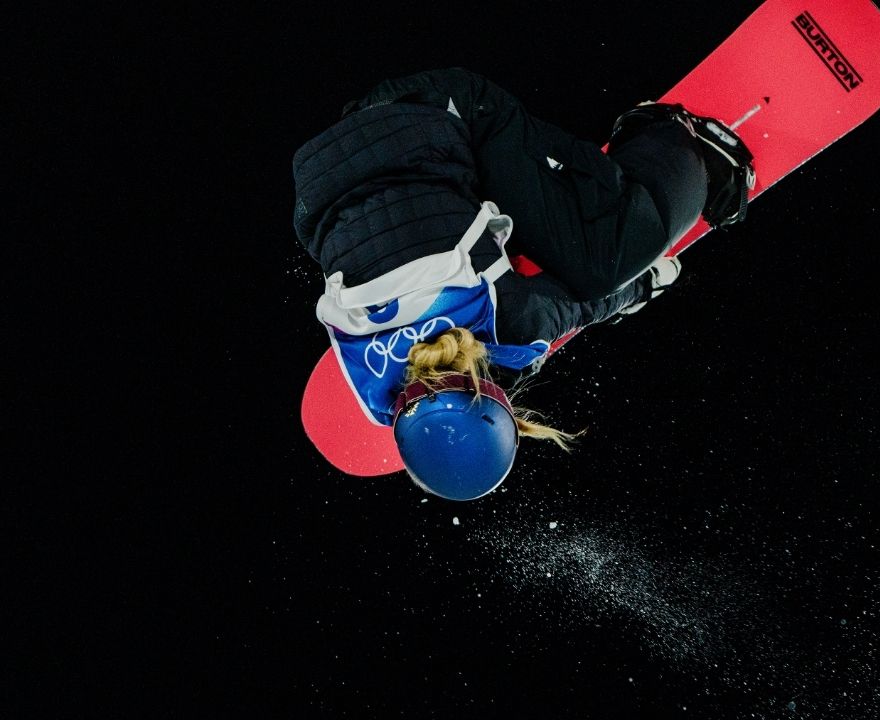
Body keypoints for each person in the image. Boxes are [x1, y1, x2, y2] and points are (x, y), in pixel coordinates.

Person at [292, 67, 754, 500]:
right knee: (476, 244)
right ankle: (507, 229)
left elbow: (584, 306)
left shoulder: (514, 326)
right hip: (326, 170)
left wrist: (647, 284)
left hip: (445, 112)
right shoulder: (370, 390)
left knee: (609, 263)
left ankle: (685, 145)